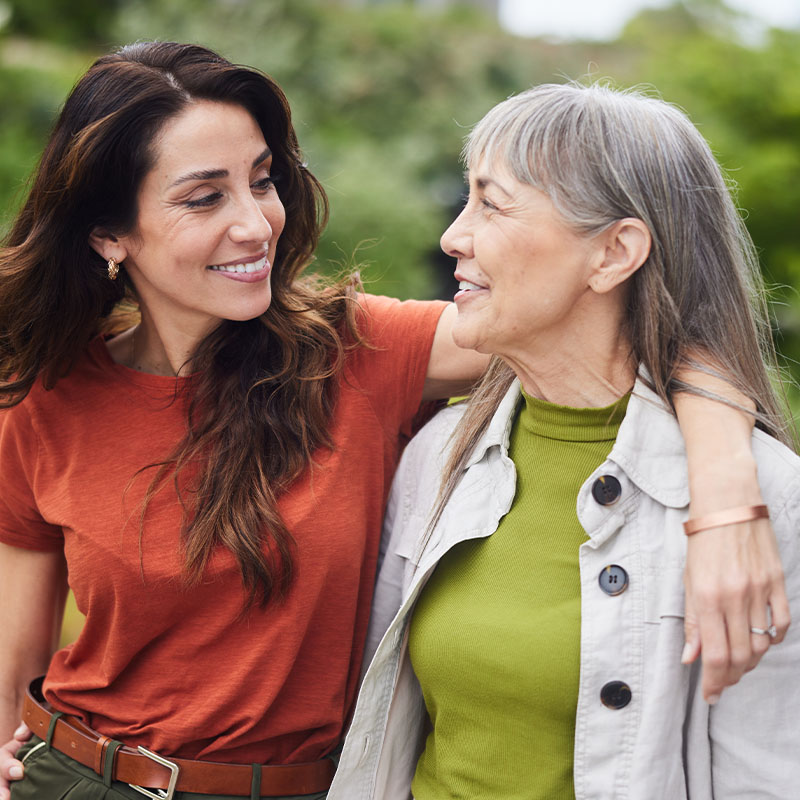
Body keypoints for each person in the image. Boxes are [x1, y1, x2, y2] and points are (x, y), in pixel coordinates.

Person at [0, 44, 787, 800]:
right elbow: (13, 665)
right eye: (204, 197)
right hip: (73, 777)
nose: (254, 224)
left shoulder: (358, 353)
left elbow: (635, 325)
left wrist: (726, 501)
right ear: (109, 233)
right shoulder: (44, 398)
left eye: (263, 180)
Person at [328, 83, 800, 799]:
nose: (454, 236)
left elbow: (766, 778)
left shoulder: (764, 500)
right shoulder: (439, 456)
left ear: (614, 253)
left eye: (492, 202)